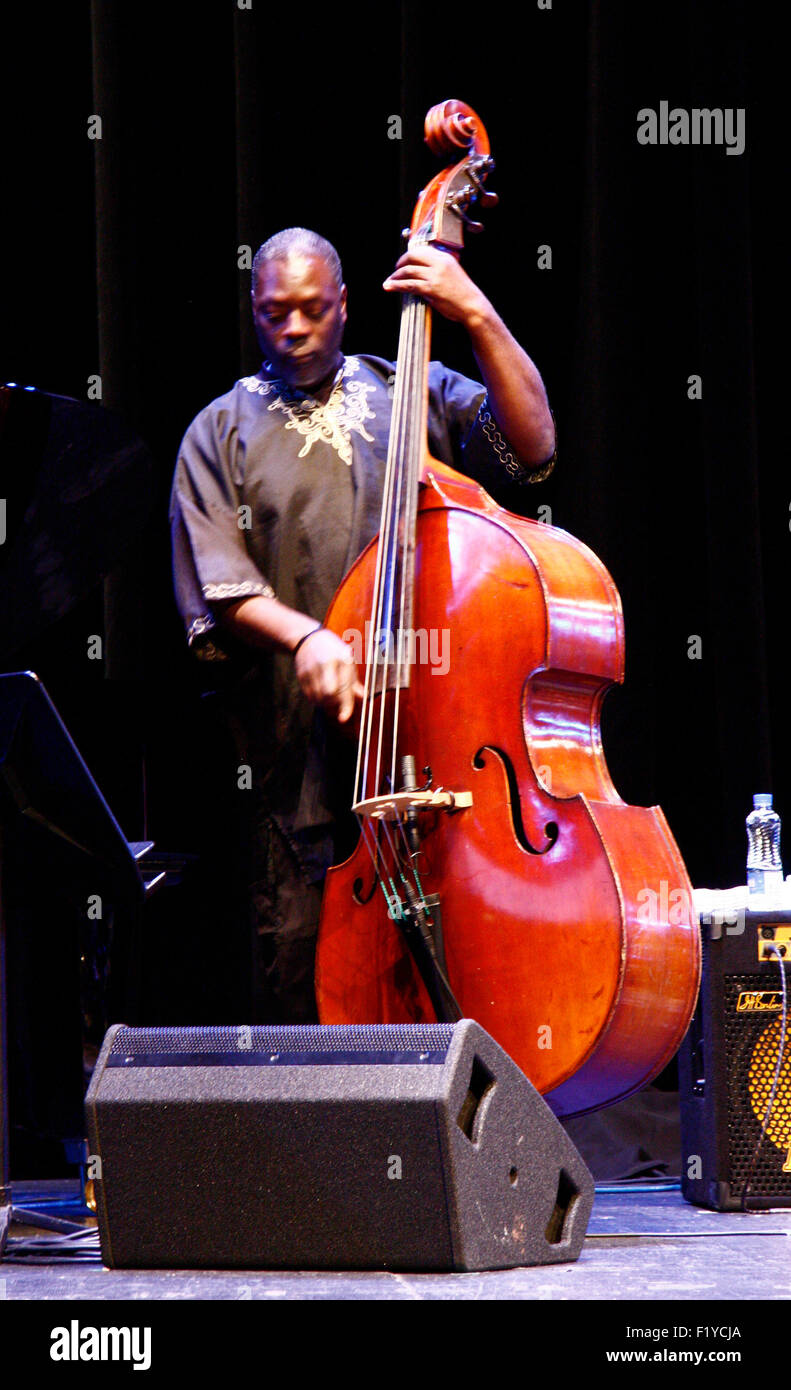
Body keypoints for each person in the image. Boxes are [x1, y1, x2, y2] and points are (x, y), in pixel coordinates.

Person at [170, 227, 556, 1023]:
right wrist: (309, 636)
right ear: (254, 310)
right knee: (309, 1001)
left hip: (438, 753)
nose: (295, 328)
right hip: (301, 766)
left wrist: (475, 313)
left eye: (313, 309)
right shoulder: (218, 431)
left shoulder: (407, 387)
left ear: (344, 305)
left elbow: (532, 449)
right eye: (276, 313)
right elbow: (222, 586)